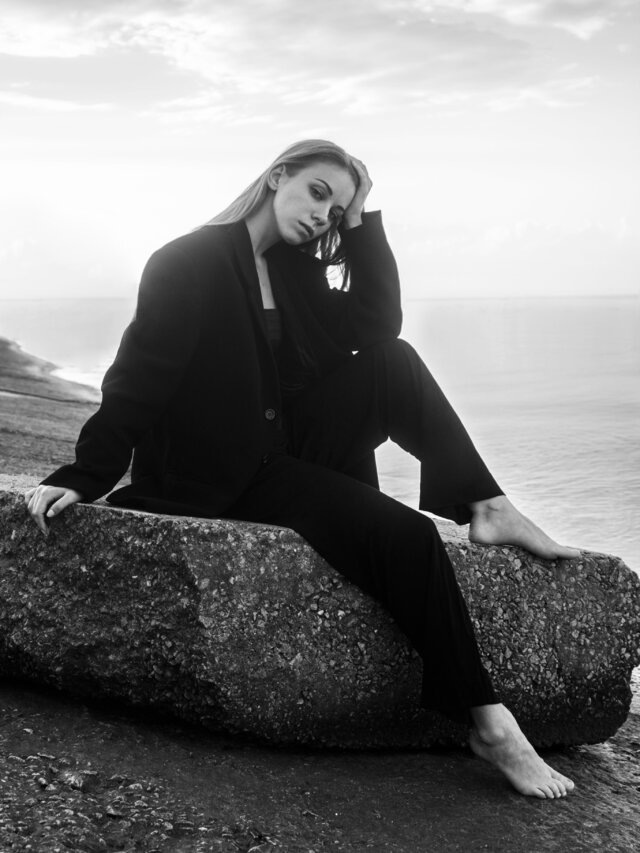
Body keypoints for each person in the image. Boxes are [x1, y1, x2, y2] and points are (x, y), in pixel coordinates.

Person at [25, 139, 578, 798]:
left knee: (394, 360)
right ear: (277, 175)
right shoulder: (187, 261)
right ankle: (490, 724)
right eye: (318, 193)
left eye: (335, 209)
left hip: (283, 446)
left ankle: (486, 504)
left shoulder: (293, 271)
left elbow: (377, 323)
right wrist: (85, 474)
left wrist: (362, 220)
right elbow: (138, 379)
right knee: (408, 536)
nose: (323, 215)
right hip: (219, 472)